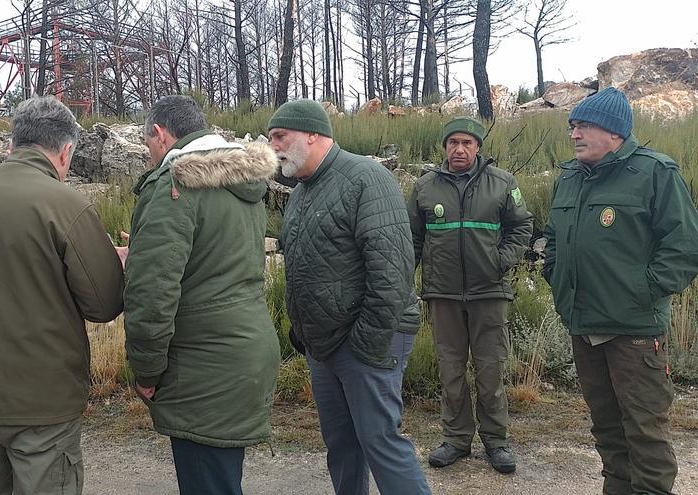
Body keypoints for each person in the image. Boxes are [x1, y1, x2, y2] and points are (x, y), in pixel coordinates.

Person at [0, 96, 124, 494]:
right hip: (42, 402)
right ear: (66, 150)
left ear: (11, 144)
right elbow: (103, 304)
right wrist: (118, 264)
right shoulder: (66, 203)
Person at [269, 99, 430, 495]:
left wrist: (365, 344)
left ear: (312, 134)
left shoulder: (365, 177)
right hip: (324, 345)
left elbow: (391, 271)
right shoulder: (304, 190)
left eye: (279, 136)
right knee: (341, 445)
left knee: (380, 442)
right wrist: (306, 335)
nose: (272, 147)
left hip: (367, 339)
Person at [543, 87, 698, 494]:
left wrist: (642, 292)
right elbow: (553, 239)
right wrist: (557, 277)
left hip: (634, 331)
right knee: (607, 428)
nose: (574, 134)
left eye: (583, 126)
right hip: (583, 324)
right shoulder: (570, 177)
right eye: (572, 126)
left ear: (614, 132)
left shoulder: (654, 173)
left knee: (645, 432)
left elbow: (684, 247)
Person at [123, 94, 280, 495]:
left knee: (208, 484)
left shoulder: (175, 183)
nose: (149, 156)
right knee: (222, 480)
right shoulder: (241, 180)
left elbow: (152, 295)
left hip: (201, 363)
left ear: (159, 133)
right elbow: (213, 256)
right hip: (243, 349)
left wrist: (146, 370)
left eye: (147, 146)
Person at [408, 117, 533, 473]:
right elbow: (413, 240)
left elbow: (522, 225)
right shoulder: (425, 187)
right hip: (443, 293)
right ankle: (456, 439)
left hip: (489, 292)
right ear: (444, 147)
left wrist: (501, 260)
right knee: (450, 370)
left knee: (490, 370)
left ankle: (496, 442)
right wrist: (406, 279)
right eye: (453, 143)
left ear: (478, 147)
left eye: (467, 143)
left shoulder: (502, 183)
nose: (459, 149)